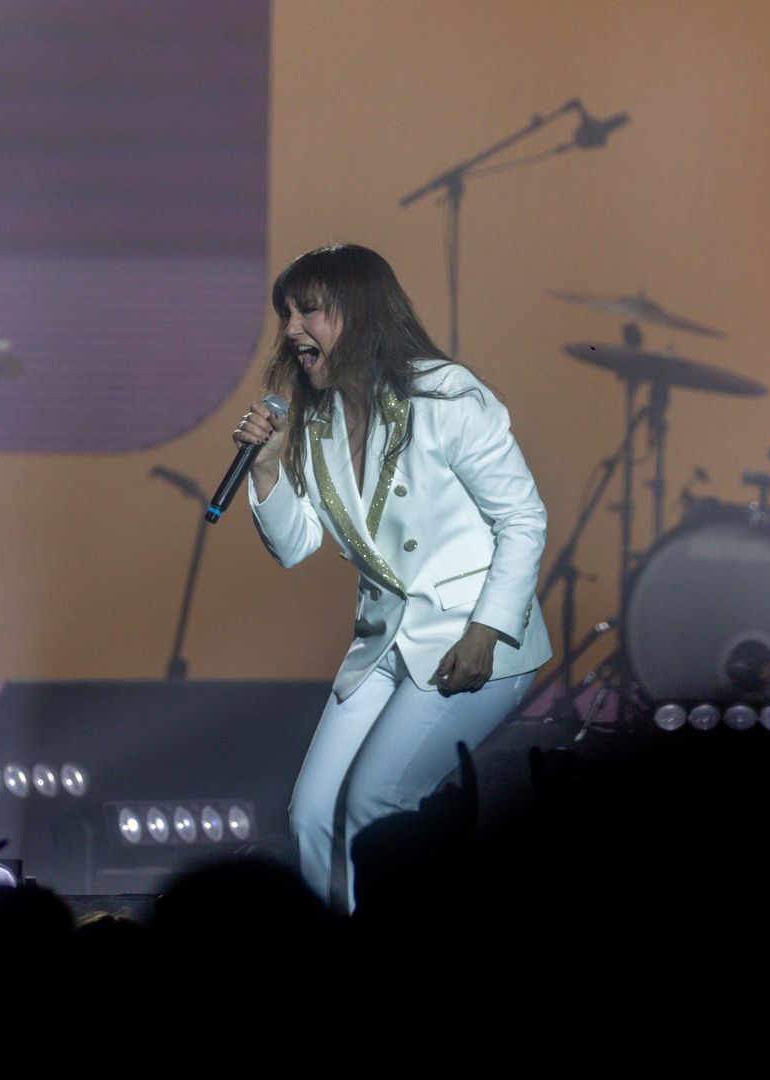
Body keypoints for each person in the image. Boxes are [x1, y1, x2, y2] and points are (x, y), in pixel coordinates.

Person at [233, 243, 551, 913]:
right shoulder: (315, 422)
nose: (291, 330)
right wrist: (265, 469)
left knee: (379, 800)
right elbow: (295, 547)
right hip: (383, 646)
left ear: (360, 312)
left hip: (474, 639)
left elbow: (522, 518)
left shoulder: (447, 396)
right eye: (286, 313)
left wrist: (487, 629)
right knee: (311, 814)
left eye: (308, 311)